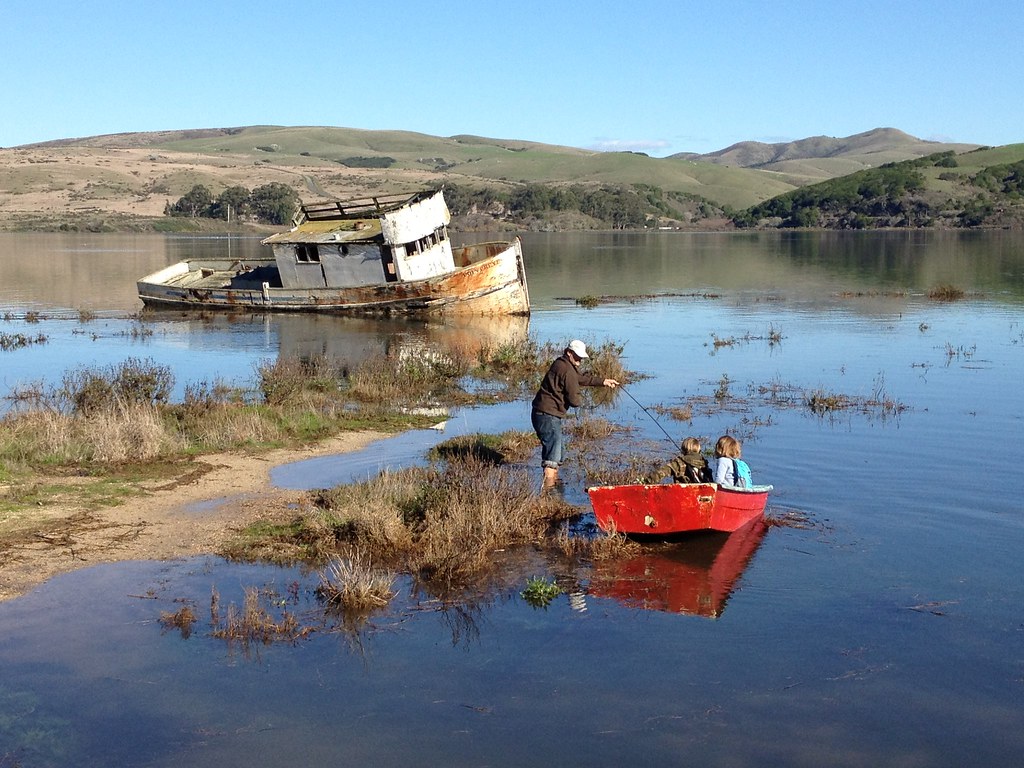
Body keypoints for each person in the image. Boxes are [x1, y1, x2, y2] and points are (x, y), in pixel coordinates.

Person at [532, 339, 619, 488]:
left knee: (557, 454)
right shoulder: (567, 370)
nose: (579, 361)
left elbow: (580, 378)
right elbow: (575, 400)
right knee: (552, 459)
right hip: (548, 416)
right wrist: (578, 396)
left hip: (541, 413)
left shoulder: (561, 363)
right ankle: (549, 495)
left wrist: (603, 381)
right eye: (577, 357)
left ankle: (554, 488)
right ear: (569, 353)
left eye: (581, 358)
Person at [648, 436, 713, 484]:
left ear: (683, 450)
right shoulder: (703, 462)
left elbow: (661, 473)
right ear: (699, 450)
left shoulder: (679, 462)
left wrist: (646, 481)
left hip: (682, 494)